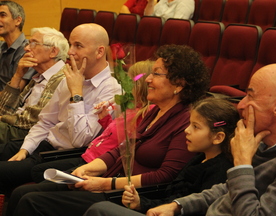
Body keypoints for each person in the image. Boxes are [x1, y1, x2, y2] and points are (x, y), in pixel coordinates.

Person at [85, 63, 276, 216]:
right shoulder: (267, 141)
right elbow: (226, 189)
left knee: (100, 210)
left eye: (250, 96)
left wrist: (241, 164)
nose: (241, 105)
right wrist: (179, 206)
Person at [7, 44, 210, 216]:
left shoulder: (185, 120)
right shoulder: (154, 111)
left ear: (179, 84)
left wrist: (104, 184)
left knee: (32, 201)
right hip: (109, 178)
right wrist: (89, 168)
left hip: (128, 195)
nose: (147, 79)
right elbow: (121, 149)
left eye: (156, 74)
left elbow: (164, 176)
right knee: (20, 194)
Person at [0, 23, 121, 196]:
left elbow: (80, 140)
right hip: (41, 144)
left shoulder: (112, 90)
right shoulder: (69, 77)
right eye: (71, 44)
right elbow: (46, 121)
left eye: (78, 46)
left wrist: (76, 94)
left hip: (63, 156)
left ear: (99, 52)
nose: (70, 51)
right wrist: (24, 150)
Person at [30, 60, 155, 183]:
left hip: (98, 163)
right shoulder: (132, 108)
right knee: (38, 171)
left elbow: (123, 141)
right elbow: (112, 134)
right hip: (89, 155)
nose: (126, 86)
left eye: (131, 81)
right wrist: (105, 119)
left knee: (39, 177)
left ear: (141, 85)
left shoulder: (145, 113)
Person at [0, 27, 69, 156]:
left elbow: (34, 120)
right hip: (15, 126)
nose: (26, 48)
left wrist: (3, 118)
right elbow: (4, 109)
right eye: (28, 43)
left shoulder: (63, 78)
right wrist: (18, 75)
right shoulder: (38, 76)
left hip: (31, 133)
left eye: (33, 44)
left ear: (53, 51)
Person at [0, 1, 35, 91]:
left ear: (18, 20)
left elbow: (14, 92)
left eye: (2, 15)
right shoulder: (2, 47)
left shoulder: (28, 50)